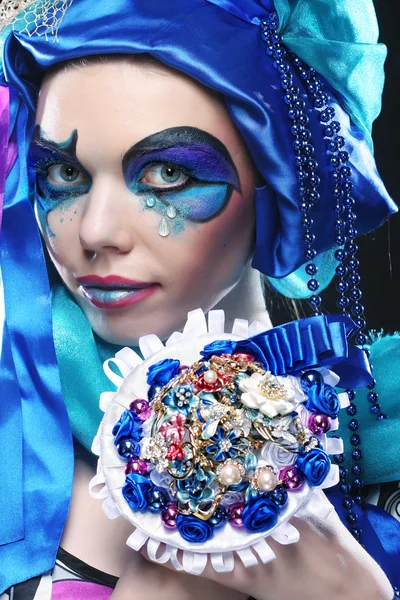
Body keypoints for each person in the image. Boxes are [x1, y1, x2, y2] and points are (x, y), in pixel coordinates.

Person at [0, 0, 398, 598]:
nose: (95, 232)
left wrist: (346, 588)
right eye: (63, 175)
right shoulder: (15, 413)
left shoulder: (383, 424)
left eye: (167, 175)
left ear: (279, 186)